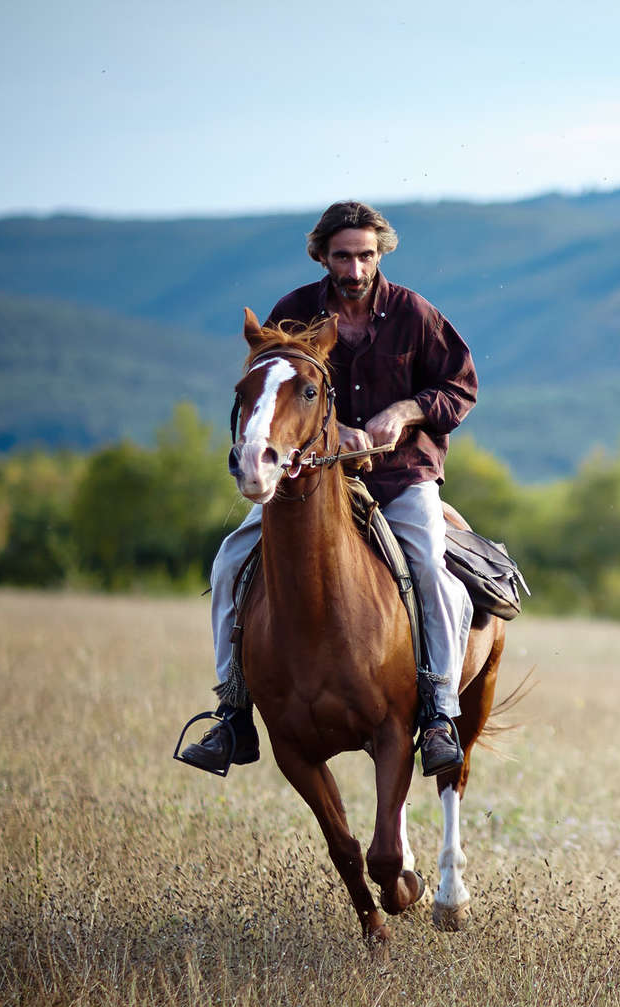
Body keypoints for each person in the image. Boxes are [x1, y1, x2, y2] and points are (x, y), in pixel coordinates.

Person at [177, 200, 478, 778]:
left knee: (435, 571)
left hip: (400, 473)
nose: (356, 269)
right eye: (344, 256)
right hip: (312, 477)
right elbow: (274, 391)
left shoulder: (415, 314)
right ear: (322, 255)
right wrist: (323, 428)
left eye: (367, 255)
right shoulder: (292, 312)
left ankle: (439, 710)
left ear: (381, 253)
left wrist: (406, 410)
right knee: (228, 563)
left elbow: (460, 389)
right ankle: (233, 707)